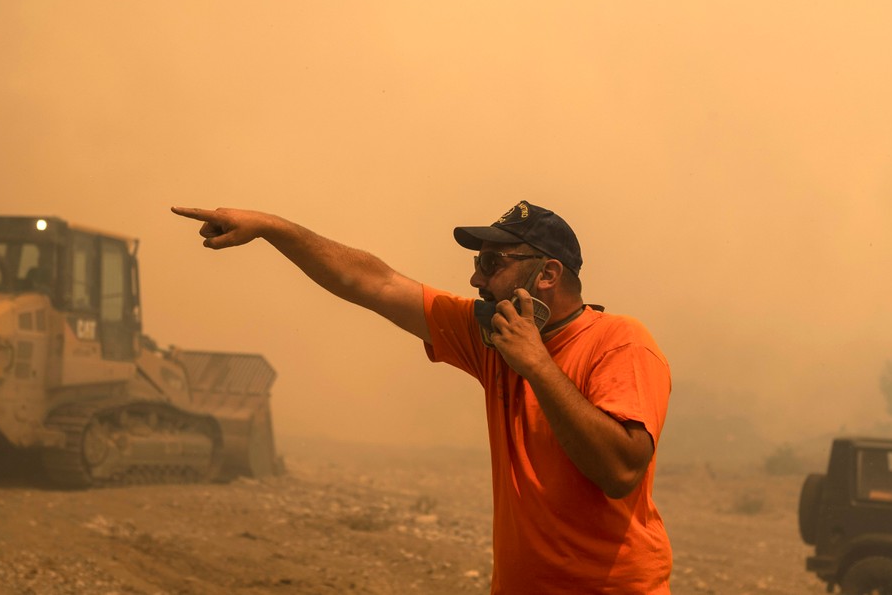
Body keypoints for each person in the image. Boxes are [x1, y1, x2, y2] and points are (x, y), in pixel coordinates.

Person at [172, 200, 672, 594]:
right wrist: (271, 227)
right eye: (478, 262)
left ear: (547, 276)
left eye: (492, 263)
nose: (476, 278)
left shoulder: (621, 342)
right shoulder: (494, 337)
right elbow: (375, 282)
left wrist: (537, 364)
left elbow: (621, 471)